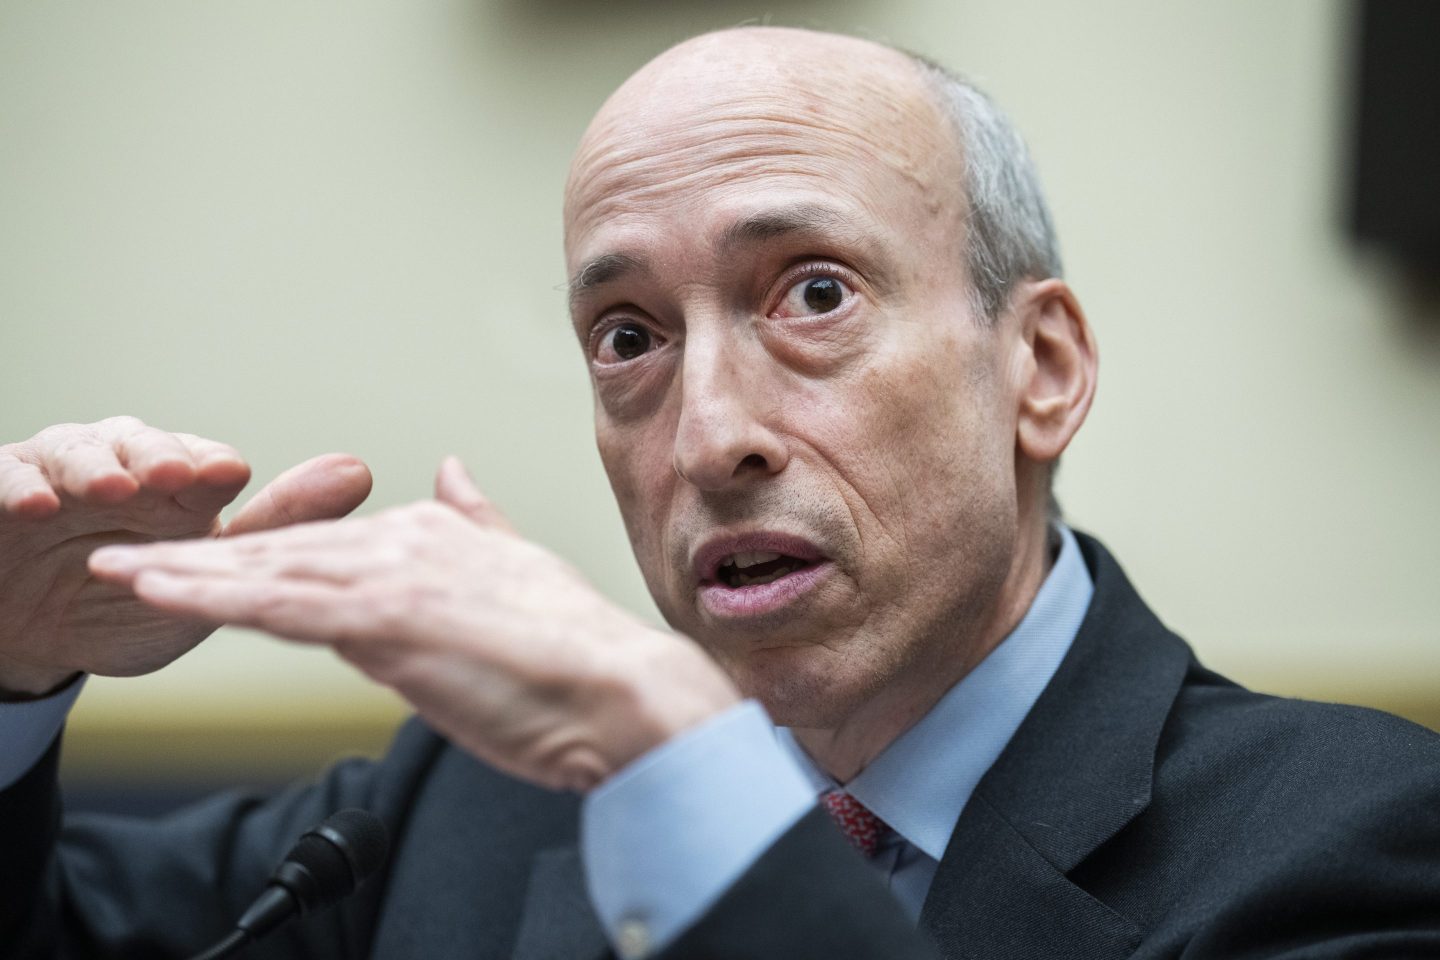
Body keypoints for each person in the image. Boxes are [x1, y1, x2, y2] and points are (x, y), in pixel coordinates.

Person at [2, 26, 1438, 960]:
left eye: (814, 295)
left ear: (1042, 368)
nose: (708, 437)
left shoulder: (1354, 846)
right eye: (628, 338)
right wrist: (10, 672)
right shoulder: (469, 799)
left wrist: (693, 782)